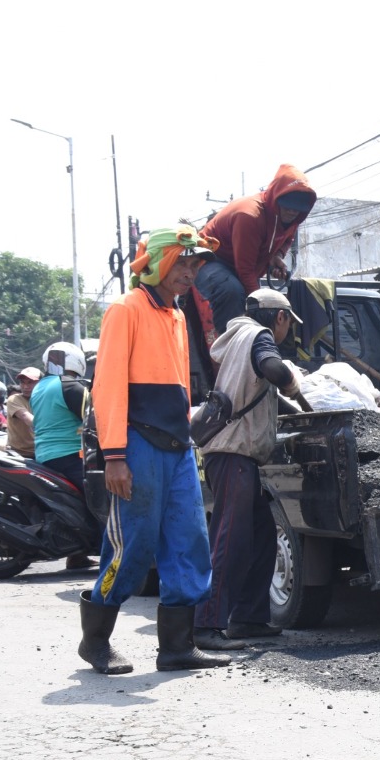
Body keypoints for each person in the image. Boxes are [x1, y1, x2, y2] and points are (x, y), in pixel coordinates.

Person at [78, 227, 233, 677]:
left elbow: (180, 388)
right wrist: (114, 456)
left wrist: (190, 437)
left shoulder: (178, 315)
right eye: (182, 262)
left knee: (189, 542)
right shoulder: (126, 309)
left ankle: (177, 647)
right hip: (136, 444)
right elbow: (107, 385)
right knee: (131, 546)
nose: (190, 272)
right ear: (159, 262)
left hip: (177, 447)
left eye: (194, 264)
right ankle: (95, 641)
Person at [192, 288, 305, 651]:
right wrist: (294, 382)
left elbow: (263, 395)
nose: (287, 330)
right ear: (280, 317)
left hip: (232, 455)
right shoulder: (260, 336)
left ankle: (248, 617)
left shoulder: (238, 338)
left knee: (260, 534)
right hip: (234, 455)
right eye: (288, 323)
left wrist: (302, 410)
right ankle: (206, 624)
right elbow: (274, 369)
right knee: (230, 539)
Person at [190, 166, 317, 350]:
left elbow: (286, 239)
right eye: (288, 207)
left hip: (242, 265)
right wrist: (263, 305)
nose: (292, 212)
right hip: (210, 260)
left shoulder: (293, 218)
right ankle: (231, 351)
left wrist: (276, 257)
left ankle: (253, 347)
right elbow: (245, 271)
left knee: (254, 301)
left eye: (297, 209)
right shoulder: (249, 215)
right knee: (233, 292)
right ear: (276, 198)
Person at [31, 344, 92, 491]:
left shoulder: (38, 388)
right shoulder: (69, 385)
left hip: (43, 456)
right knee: (106, 494)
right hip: (70, 456)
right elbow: (95, 420)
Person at [4, 367, 41, 458]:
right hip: (20, 453)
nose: (25, 386)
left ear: (41, 383)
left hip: (41, 451)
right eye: (22, 382)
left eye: (30, 382)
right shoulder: (14, 399)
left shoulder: (44, 400)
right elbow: (26, 416)